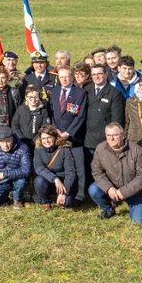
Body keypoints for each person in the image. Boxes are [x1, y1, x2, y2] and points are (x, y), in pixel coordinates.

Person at [88, 124, 142, 222]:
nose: (111, 138)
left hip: (134, 192)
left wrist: (123, 192)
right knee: (93, 189)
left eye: (115, 135)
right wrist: (108, 188)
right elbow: (97, 171)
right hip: (112, 187)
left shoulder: (137, 150)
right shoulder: (100, 149)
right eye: (108, 135)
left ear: (122, 135)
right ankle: (108, 209)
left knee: (138, 222)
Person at [50, 66, 88, 201]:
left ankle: (80, 196)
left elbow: (81, 116)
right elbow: (52, 113)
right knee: (61, 166)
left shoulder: (80, 93)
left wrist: (68, 133)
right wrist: (56, 130)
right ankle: (60, 193)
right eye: (61, 77)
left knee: (79, 167)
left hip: (73, 136)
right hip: (57, 135)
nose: (64, 79)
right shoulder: (54, 91)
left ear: (72, 77)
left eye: (66, 76)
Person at [84, 64, 124, 177]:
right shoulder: (86, 90)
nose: (97, 77)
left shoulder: (114, 93)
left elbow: (117, 120)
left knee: (103, 172)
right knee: (89, 170)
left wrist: (111, 139)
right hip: (88, 140)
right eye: (94, 74)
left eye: (100, 74)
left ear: (106, 75)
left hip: (104, 141)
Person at [32, 124, 76, 208]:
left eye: (49, 137)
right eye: (43, 138)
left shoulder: (64, 149)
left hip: (63, 182)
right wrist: (55, 179)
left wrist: (63, 193)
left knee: (66, 203)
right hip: (49, 180)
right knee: (39, 180)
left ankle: (60, 196)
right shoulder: (38, 149)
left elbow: (70, 172)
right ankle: (46, 201)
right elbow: (39, 168)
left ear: (55, 137)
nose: (46, 141)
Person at [12, 85, 50, 159]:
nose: (33, 99)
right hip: (22, 142)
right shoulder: (20, 109)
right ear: (26, 97)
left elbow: (45, 127)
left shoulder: (43, 111)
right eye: (30, 97)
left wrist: (36, 139)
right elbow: (15, 125)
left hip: (38, 144)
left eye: (36, 97)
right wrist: (22, 139)